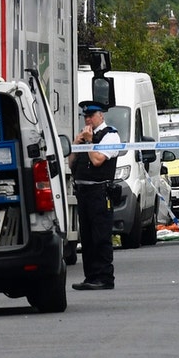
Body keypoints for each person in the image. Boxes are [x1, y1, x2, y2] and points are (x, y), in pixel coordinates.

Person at [68, 101, 121, 290]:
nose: (88, 119)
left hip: (100, 191)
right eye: (85, 116)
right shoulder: (86, 138)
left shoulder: (111, 136)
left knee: (101, 236)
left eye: (91, 116)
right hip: (83, 192)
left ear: (101, 116)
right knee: (88, 237)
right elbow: (71, 163)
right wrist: (76, 144)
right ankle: (91, 276)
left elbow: (98, 160)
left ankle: (105, 277)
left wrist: (90, 143)